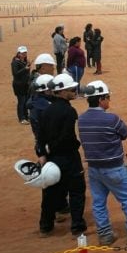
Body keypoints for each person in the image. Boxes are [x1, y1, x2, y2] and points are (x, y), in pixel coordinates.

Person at [78, 80, 127, 246]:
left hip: (94, 168)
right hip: (114, 167)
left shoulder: (82, 119)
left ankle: (104, 235)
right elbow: (125, 133)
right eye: (107, 97)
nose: (108, 101)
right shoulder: (111, 119)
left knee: (98, 202)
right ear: (100, 99)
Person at [35, 73, 87, 238]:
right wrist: (75, 146)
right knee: (77, 192)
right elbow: (67, 137)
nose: (73, 91)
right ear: (61, 92)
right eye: (70, 89)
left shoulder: (46, 111)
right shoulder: (69, 111)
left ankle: (45, 226)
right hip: (68, 156)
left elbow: (40, 136)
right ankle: (77, 226)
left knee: (50, 192)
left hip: (51, 158)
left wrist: (43, 153)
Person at [11, 45, 31, 124]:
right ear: (18, 53)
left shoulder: (25, 61)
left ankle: (26, 116)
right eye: (22, 53)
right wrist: (24, 69)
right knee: (21, 101)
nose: (24, 54)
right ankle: (21, 118)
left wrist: (28, 67)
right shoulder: (15, 62)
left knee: (26, 100)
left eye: (25, 53)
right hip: (19, 85)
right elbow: (15, 73)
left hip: (25, 84)